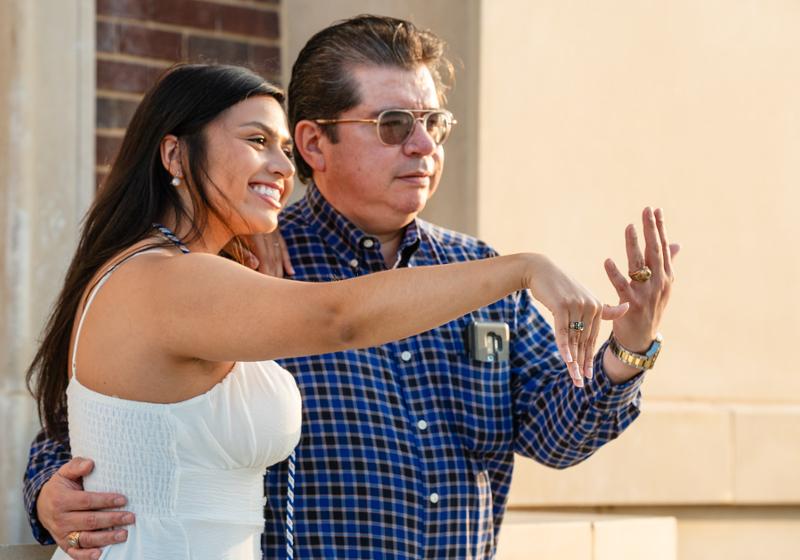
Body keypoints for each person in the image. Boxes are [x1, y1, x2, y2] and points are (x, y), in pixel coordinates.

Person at [24, 16, 678, 560]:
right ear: (317, 143)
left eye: (434, 123)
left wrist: (629, 348)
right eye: (393, 123)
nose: (423, 146)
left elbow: (556, 436)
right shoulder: (242, 266)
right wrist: (50, 490)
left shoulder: (476, 272)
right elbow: (99, 413)